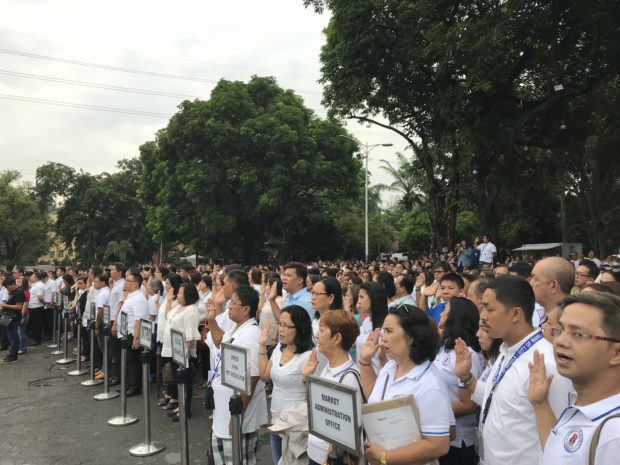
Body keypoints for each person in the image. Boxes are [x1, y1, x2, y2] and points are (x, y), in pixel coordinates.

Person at [454, 274, 573, 465]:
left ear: (516, 314)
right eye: (482, 306)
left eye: (489, 309)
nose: (482, 316)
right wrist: (467, 378)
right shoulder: (505, 350)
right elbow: (498, 399)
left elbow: (558, 439)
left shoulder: (546, 364)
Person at [528, 292, 620, 464]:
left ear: (616, 353)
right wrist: (540, 405)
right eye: (560, 330)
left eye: (578, 335)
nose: (561, 341)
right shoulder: (582, 404)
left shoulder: (614, 434)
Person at [360, 304, 453, 464]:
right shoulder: (390, 366)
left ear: (411, 338)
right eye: (383, 330)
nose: (382, 336)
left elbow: (439, 445)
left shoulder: (430, 384)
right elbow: (373, 398)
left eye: (389, 331)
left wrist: (385, 458)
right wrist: (365, 362)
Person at [206, 285, 267, 465]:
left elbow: (253, 378)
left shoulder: (251, 334)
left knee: (239, 459)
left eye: (233, 303)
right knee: (222, 459)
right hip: (225, 410)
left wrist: (238, 415)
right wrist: (211, 321)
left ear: (246, 309)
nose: (229, 307)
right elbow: (220, 342)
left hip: (238, 414)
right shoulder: (236, 328)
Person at [304, 310, 362, 465]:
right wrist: (306, 380)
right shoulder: (329, 367)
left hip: (330, 459)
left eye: (322, 330)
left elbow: (346, 429)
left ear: (337, 338)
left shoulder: (349, 378)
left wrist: (328, 458)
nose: (317, 335)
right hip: (316, 453)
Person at [258, 305, 314, 465]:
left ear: (300, 329)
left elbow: (312, 397)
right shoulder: (279, 349)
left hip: (296, 429)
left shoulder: (308, 357)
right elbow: (264, 375)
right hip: (276, 423)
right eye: (279, 324)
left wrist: (305, 379)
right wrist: (262, 345)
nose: (281, 330)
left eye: (286, 326)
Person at [434, 297, 482, 465]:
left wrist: (432, 413)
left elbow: (469, 404)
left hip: (459, 441)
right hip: (442, 434)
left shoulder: (468, 353)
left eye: (445, 310)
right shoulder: (444, 348)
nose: (441, 313)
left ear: (455, 316)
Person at [355, 282, 388, 373]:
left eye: (362, 297)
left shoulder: (386, 328)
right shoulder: (366, 321)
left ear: (374, 299)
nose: (358, 301)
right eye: (358, 297)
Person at [0, 277, 26, 364]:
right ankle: (11, 355)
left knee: (14, 337)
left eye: (7, 287)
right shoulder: (14, 292)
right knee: (12, 337)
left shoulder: (19, 293)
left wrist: (5, 305)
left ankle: (13, 357)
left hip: (14, 318)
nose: (7, 289)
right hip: (10, 318)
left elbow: (19, 306)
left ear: (11, 285)